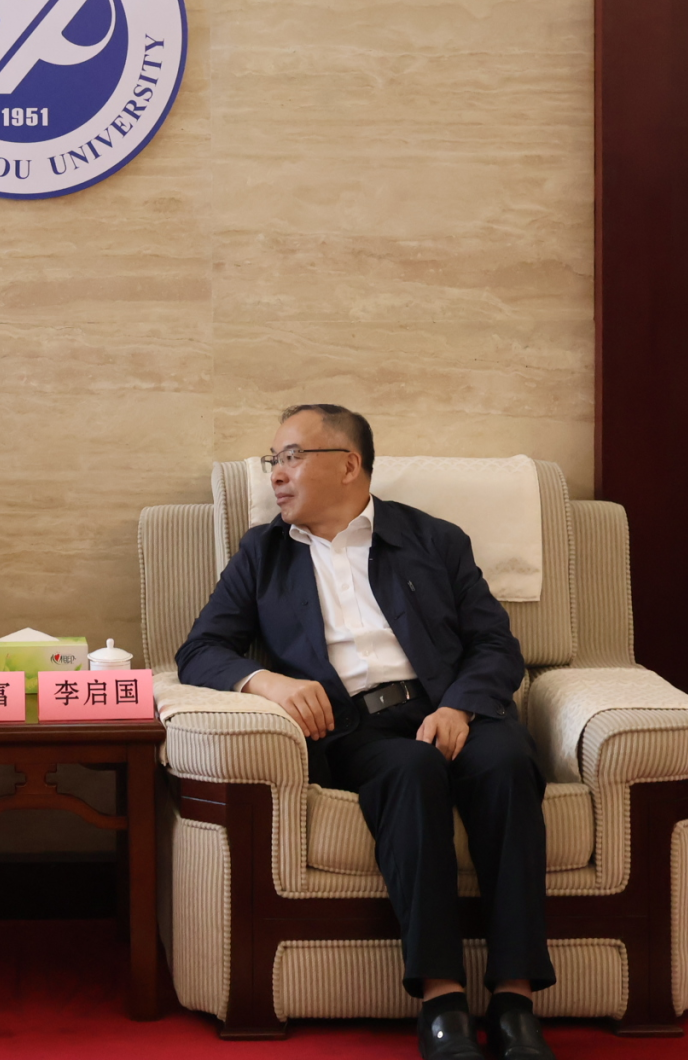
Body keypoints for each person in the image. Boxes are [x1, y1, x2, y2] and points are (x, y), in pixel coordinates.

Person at [175, 404, 555, 1060]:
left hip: (451, 708)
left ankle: (515, 1001)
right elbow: (200, 649)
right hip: (357, 728)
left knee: (508, 763)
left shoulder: (435, 539)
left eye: (291, 457)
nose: (276, 475)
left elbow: (495, 645)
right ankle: (442, 1000)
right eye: (272, 461)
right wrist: (268, 682)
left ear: (349, 464)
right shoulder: (263, 552)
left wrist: (460, 707)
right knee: (412, 772)